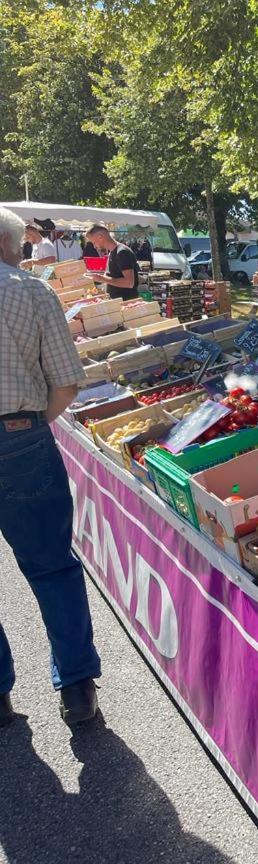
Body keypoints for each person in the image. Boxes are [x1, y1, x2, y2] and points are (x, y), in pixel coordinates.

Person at [0, 207, 101, 727]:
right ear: (5, 243)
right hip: (20, 438)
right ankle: (78, 688)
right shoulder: (31, 292)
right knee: (52, 565)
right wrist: (34, 422)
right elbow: (67, 380)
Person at [84, 224, 140, 300]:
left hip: (125, 303)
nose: (94, 246)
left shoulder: (122, 252)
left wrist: (102, 279)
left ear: (100, 237)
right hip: (118, 302)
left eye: (93, 242)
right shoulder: (113, 252)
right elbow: (114, 276)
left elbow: (129, 282)